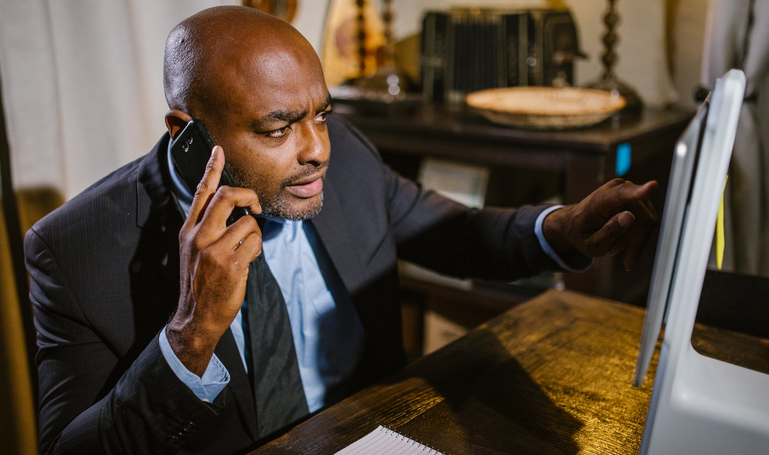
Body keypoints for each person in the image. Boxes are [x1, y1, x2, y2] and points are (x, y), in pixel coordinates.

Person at [25, 6, 659, 455]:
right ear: (185, 133)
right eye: (277, 128)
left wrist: (566, 228)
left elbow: (457, 233)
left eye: (321, 115)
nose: (317, 150)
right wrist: (189, 338)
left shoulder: (347, 154)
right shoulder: (71, 252)